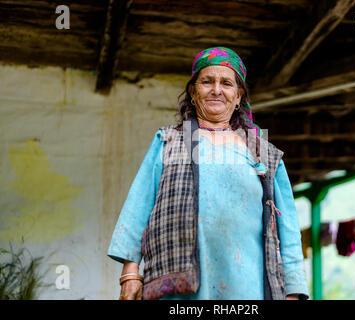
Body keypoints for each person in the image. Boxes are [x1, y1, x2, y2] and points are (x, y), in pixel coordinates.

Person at [107, 47, 309, 300]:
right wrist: (130, 271)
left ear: (238, 96)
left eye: (226, 83)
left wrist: (293, 289)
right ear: (193, 92)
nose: (216, 90)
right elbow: (138, 206)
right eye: (207, 82)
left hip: (248, 286)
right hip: (180, 288)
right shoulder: (170, 140)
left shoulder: (263, 153)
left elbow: (287, 228)